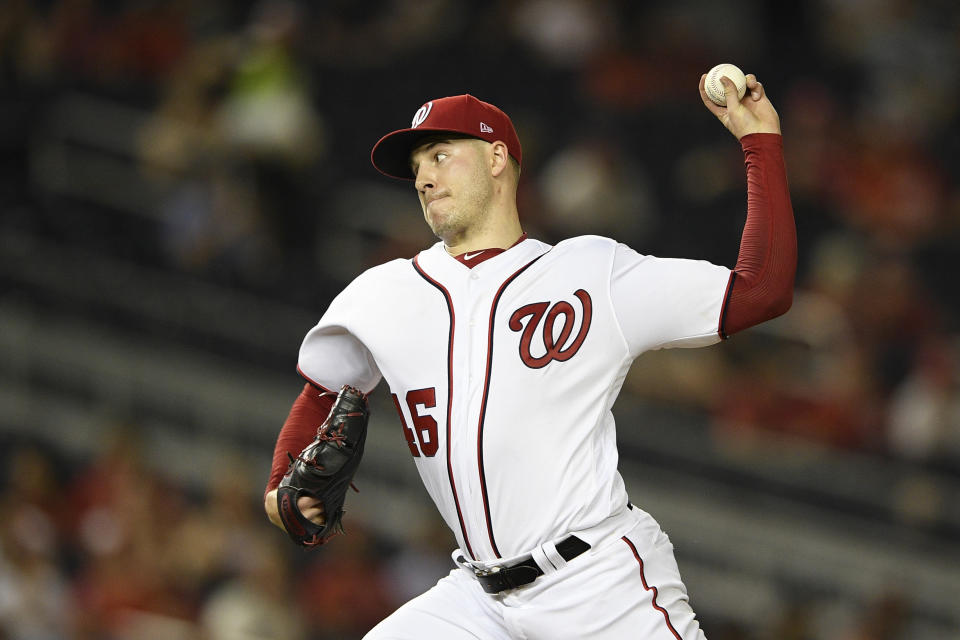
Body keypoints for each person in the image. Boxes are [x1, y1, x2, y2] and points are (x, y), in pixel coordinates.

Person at [264, 72, 795, 639]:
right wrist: (280, 490)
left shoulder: (591, 273)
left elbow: (760, 290)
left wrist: (759, 141)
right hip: (475, 598)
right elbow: (322, 391)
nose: (423, 177)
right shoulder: (381, 293)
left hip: (596, 582)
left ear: (497, 158)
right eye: (417, 166)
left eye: (440, 155)